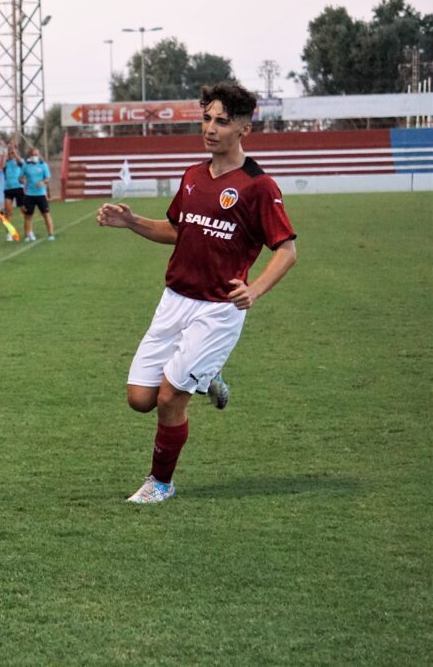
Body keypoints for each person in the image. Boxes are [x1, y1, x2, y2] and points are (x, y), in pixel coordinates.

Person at [96, 82, 298, 504]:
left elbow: (287, 250)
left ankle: (161, 483)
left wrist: (254, 290)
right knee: (140, 399)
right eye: (206, 118)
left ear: (244, 127)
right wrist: (131, 222)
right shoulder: (191, 176)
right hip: (174, 301)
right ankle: (207, 375)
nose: (210, 128)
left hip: (218, 310)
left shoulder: (259, 186)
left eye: (222, 121)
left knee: (170, 399)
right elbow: (177, 230)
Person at [19, 147, 54, 241]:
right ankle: (27, 235)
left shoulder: (43, 165)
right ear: (30, 155)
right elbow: (21, 178)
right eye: (33, 155)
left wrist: (43, 182)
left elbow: (48, 178)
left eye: (36, 155)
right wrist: (22, 180)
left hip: (41, 194)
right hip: (29, 195)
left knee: (46, 214)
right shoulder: (26, 166)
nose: (35, 156)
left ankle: (50, 234)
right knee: (28, 216)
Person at [1, 144, 25, 238]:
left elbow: (21, 162)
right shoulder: (6, 161)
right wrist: (4, 154)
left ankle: (28, 229)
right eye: (10, 153)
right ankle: (9, 233)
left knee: (24, 210)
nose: (11, 154)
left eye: (13, 153)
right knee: (8, 212)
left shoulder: (18, 161)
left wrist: (15, 152)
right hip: (8, 189)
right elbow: (2, 166)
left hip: (18, 188)